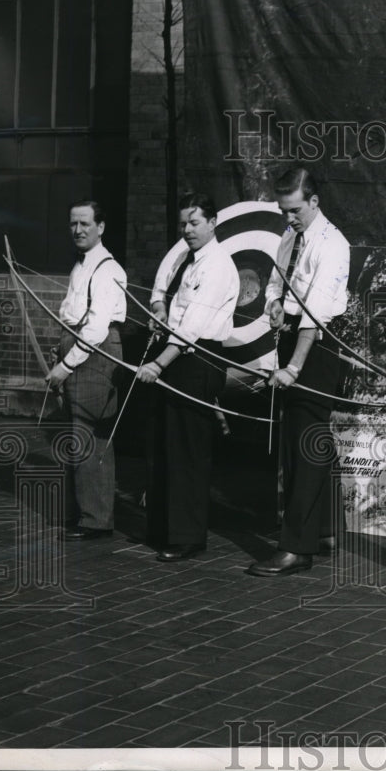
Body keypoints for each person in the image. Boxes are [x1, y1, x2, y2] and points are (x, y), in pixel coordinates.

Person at [247, 167, 350, 577]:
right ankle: (323, 532)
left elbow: (316, 317)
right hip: (292, 336)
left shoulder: (332, 245)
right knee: (306, 441)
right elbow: (277, 281)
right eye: (282, 210)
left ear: (314, 202)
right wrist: (273, 303)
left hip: (317, 347)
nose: (288, 218)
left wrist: (292, 367)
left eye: (294, 210)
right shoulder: (291, 235)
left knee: (304, 445)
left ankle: (296, 548)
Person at [136, 193, 240, 561]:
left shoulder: (218, 266)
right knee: (165, 443)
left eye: (195, 223)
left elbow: (192, 328)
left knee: (187, 450)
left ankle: (187, 537)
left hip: (199, 362)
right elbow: (164, 291)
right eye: (183, 223)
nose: (187, 230)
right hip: (177, 357)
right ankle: (164, 529)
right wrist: (159, 307)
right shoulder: (185, 257)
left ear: (213, 223)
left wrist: (158, 364)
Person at [46, 200, 127, 540]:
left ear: (101, 227)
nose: (78, 230)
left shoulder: (106, 269)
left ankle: (95, 520)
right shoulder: (81, 265)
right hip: (78, 346)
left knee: (89, 436)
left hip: (94, 353)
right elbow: (71, 311)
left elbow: (94, 330)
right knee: (81, 435)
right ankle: (89, 515)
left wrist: (64, 366)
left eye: (85, 224)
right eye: (73, 224)